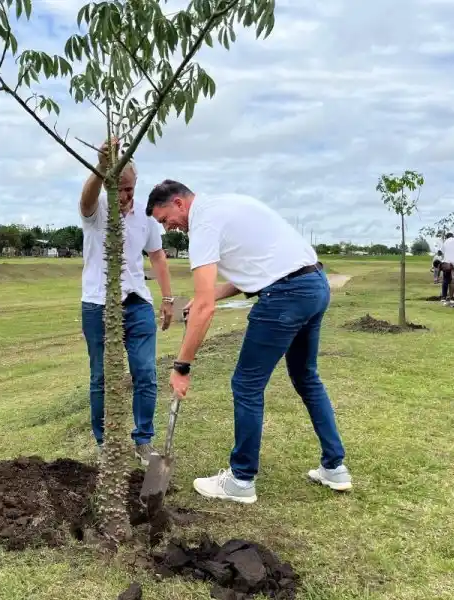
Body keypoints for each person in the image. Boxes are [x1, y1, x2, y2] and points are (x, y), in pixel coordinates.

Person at [145, 180, 351, 504]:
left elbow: (204, 309)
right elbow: (258, 268)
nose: (167, 227)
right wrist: (213, 293)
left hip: (285, 296)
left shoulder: (203, 224)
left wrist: (181, 366)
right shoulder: (225, 205)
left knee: (247, 385)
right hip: (314, 285)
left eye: (164, 219)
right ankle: (335, 468)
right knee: (306, 377)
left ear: (178, 203)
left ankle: (241, 479)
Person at [79, 140, 175, 465]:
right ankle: (104, 443)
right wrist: (101, 166)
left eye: (129, 189)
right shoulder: (97, 210)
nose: (123, 196)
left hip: (137, 302)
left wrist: (168, 298)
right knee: (101, 376)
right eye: (117, 187)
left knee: (145, 372)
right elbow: (85, 200)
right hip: (98, 303)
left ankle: (143, 440)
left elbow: (157, 256)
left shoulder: (145, 217)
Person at [440, 233, 454, 302]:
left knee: (446, 280)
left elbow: (442, 253)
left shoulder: (445, 242)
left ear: (446, 237)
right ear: (452, 236)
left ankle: (444, 297)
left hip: (446, 263)